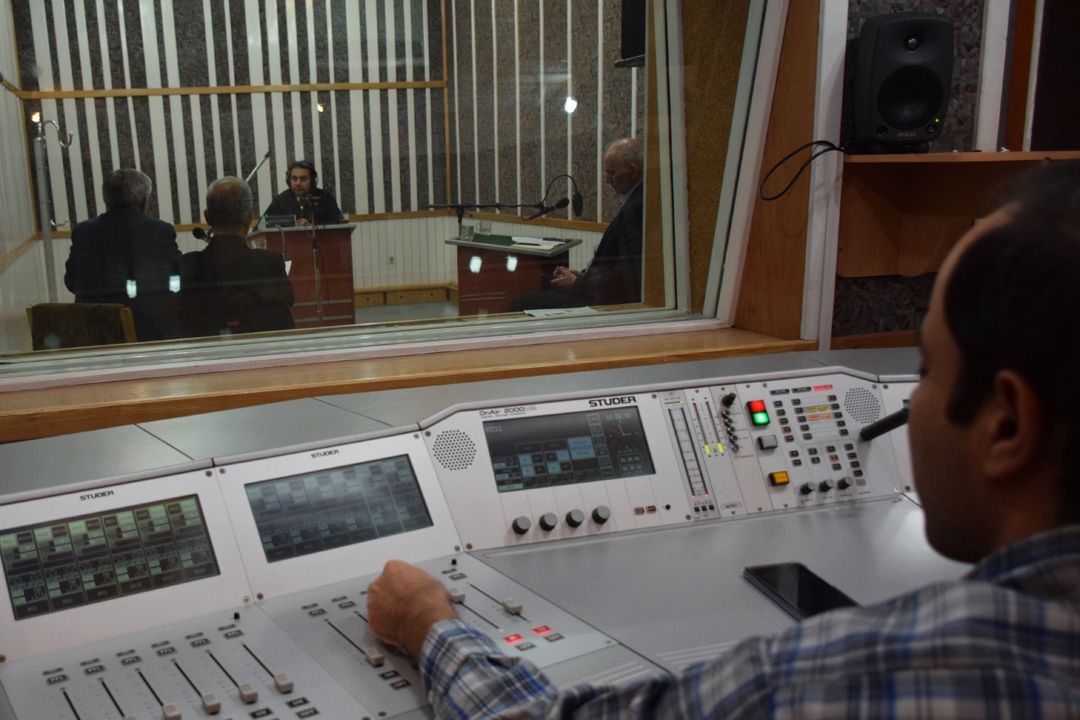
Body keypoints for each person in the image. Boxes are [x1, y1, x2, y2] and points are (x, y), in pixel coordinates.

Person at [367, 161, 1080, 717]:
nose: (912, 401)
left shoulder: (884, 674)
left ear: (1008, 425)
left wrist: (430, 626)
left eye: (924, 371)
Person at [511, 138, 644, 310]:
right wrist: (582, 276)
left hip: (601, 303)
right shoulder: (636, 201)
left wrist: (578, 283)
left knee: (521, 303)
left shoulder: (637, 207)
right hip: (593, 289)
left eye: (612, 173)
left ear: (633, 171)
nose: (607, 180)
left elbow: (626, 277)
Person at [64, 168, 181, 340]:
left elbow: (71, 282)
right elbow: (176, 279)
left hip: (92, 334)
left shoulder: (83, 231)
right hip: (145, 333)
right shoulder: (159, 231)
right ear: (144, 202)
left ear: (106, 199)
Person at [179, 177, 295, 337]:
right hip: (261, 349)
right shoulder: (269, 263)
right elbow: (284, 315)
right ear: (249, 217)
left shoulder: (189, 265)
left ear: (207, 217)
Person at [262, 160, 344, 226]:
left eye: (303, 179)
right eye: (294, 178)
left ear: (312, 181)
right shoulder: (281, 200)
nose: (298, 183)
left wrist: (313, 226)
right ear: (289, 180)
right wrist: (291, 226)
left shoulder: (325, 198)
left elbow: (338, 223)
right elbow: (265, 224)